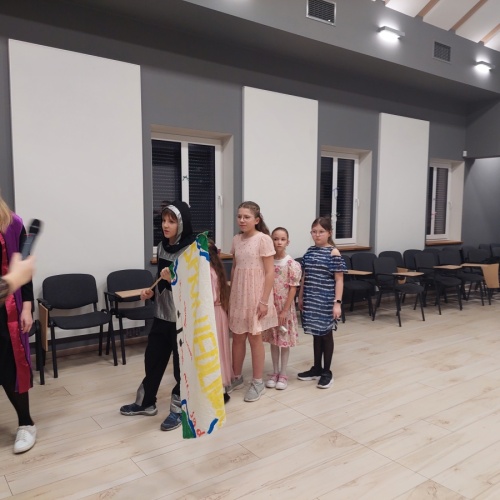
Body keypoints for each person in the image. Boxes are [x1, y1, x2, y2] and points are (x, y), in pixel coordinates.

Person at [120, 201, 197, 431]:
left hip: (182, 318)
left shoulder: (192, 249)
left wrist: (175, 277)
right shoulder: (162, 246)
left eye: (171, 221)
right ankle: (146, 402)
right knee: (153, 358)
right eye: (164, 220)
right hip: (162, 314)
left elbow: (196, 286)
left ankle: (179, 411)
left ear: (181, 223)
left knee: (180, 367)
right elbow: (160, 279)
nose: (166, 225)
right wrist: (151, 291)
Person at [228, 201, 278, 402]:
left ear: (256, 220)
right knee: (237, 336)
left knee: (254, 337)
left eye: (246, 217)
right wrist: (231, 294)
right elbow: (235, 267)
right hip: (239, 294)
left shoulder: (263, 239)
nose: (242, 220)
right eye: (239, 216)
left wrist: (264, 301)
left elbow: (270, 272)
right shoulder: (236, 239)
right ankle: (236, 377)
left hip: (257, 294)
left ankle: (258, 382)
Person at [0, 196, 36, 453]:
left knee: (10, 368)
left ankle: (26, 423)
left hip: (7, 311)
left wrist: (26, 306)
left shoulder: (12, 223)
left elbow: (23, 267)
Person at [297, 217, 346, 389]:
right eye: (314, 232)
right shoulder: (310, 251)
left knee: (326, 334)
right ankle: (316, 368)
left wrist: (337, 303)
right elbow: (305, 276)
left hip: (326, 300)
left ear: (329, 233)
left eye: (321, 232)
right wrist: (301, 297)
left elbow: (339, 280)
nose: (317, 235)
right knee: (316, 334)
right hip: (311, 299)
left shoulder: (334, 252)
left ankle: (326, 372)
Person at [262, 227, 301, 390]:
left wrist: (285, 310)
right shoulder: (268, 262)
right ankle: (275, 371)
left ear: (287, 242)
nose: (279, 242)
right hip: (271, 307)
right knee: (273, 340)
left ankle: (283, 373)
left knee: (283, 341)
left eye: (282, 239)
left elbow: (293, 288)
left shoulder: (291, 264)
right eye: (276, 239)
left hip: (284, 308)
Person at [207, 240, 232, 403]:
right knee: (220, 350)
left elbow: (208, 298)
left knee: (213, 350)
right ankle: (220, 387)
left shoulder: (207, 272)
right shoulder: (217, 269)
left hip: (212, 314)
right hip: (219, 313)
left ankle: (216, 389)